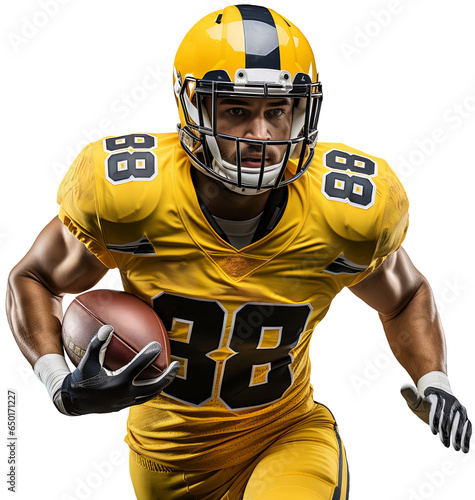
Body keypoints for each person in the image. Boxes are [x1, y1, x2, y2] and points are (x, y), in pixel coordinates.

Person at [6, 4, 472, 499]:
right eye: (236, 110)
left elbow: (404, 296)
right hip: (164, 460)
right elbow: (33, 278)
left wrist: (434, 378)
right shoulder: (129, 197)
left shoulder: (347, 213)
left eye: (277, 111)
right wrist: (58, 381)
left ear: (301, 111)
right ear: (194, 108)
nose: (261, 136)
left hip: (286, 435)